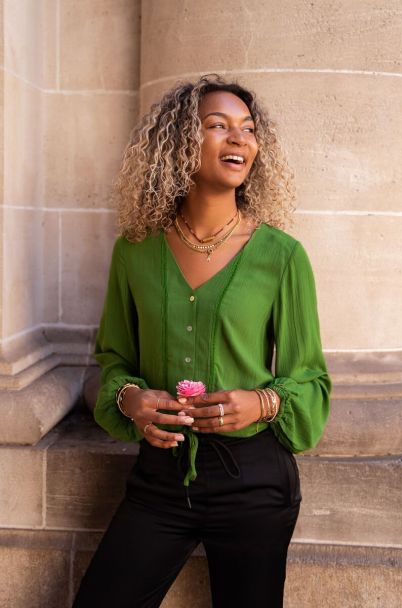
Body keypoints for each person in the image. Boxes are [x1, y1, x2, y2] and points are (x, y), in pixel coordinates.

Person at [73, 73, 331, 608]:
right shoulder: (136, 251)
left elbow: (312, 380)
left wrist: (261, 401)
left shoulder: (281, 256)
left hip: (254, 480)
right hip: (159, 481)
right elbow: (113, 360)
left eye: (248, 129)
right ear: (180, 143)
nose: (239, 139)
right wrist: (132, 400)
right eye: (218, 126)